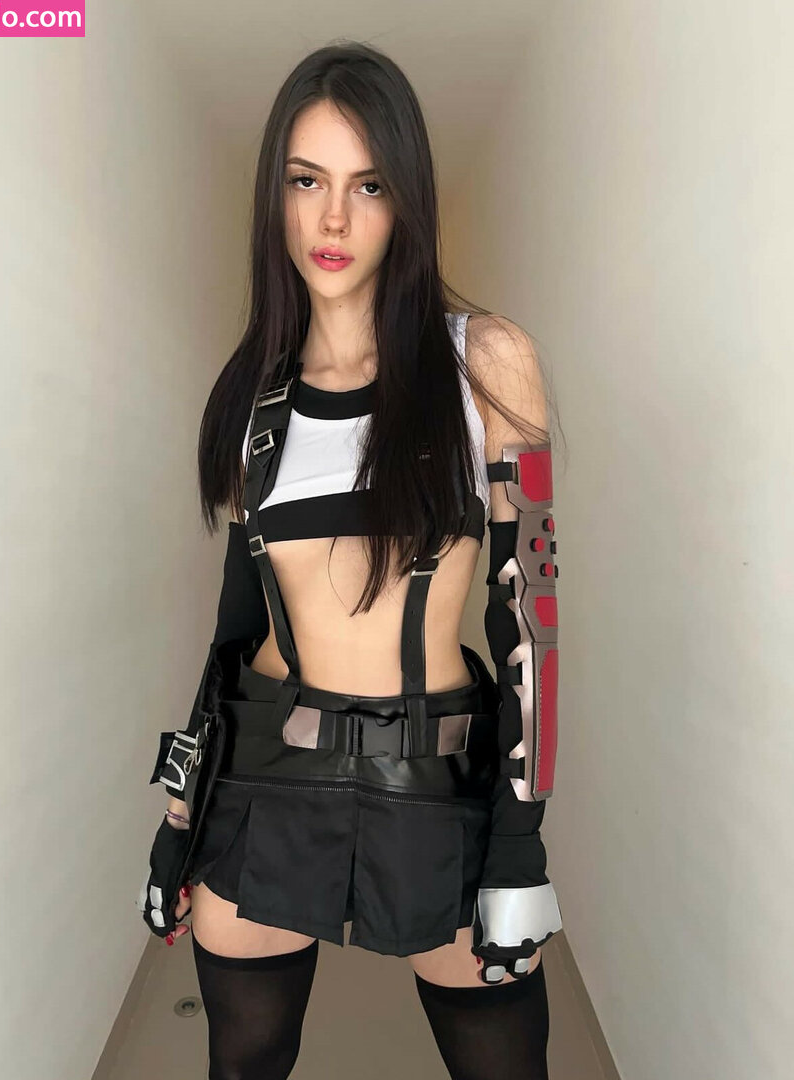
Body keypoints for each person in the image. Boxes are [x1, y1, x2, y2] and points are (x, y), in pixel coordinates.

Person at [138, 40, 563, 1080]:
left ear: (406, 199)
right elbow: (234, 634)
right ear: (274, 197)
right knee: (243, 1062)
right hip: (264, 779)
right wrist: (177, 823)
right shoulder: (253, 401)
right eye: (306, 181)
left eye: (368, 185)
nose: (333, 219)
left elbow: (529, 624)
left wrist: (518, 845)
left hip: (434, 783)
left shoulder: (486, 362)